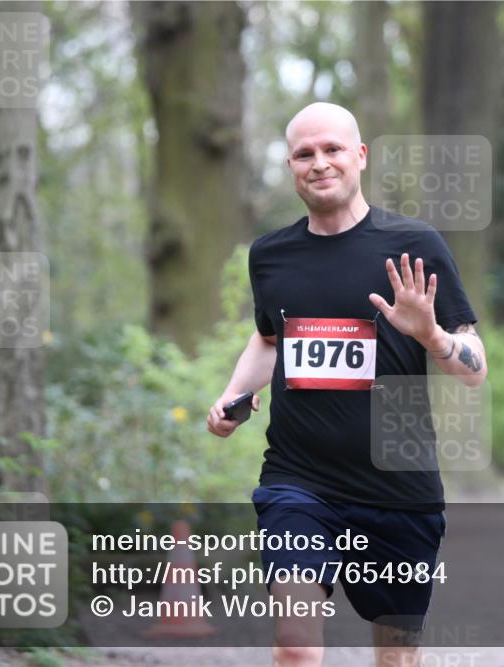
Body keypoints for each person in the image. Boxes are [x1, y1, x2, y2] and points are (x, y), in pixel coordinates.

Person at [206, 102, 487, 667]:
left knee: (395, 658)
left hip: (398, 489)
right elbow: (268, 338)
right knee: (295, 647)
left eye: (332, 149)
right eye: (304, 154)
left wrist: (431, 335)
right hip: (299, 481)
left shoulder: (415, 245)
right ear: (290, 166)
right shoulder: (270, 255)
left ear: (359, 156)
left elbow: (474, 367)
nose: (319, 163)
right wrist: (230, 395)